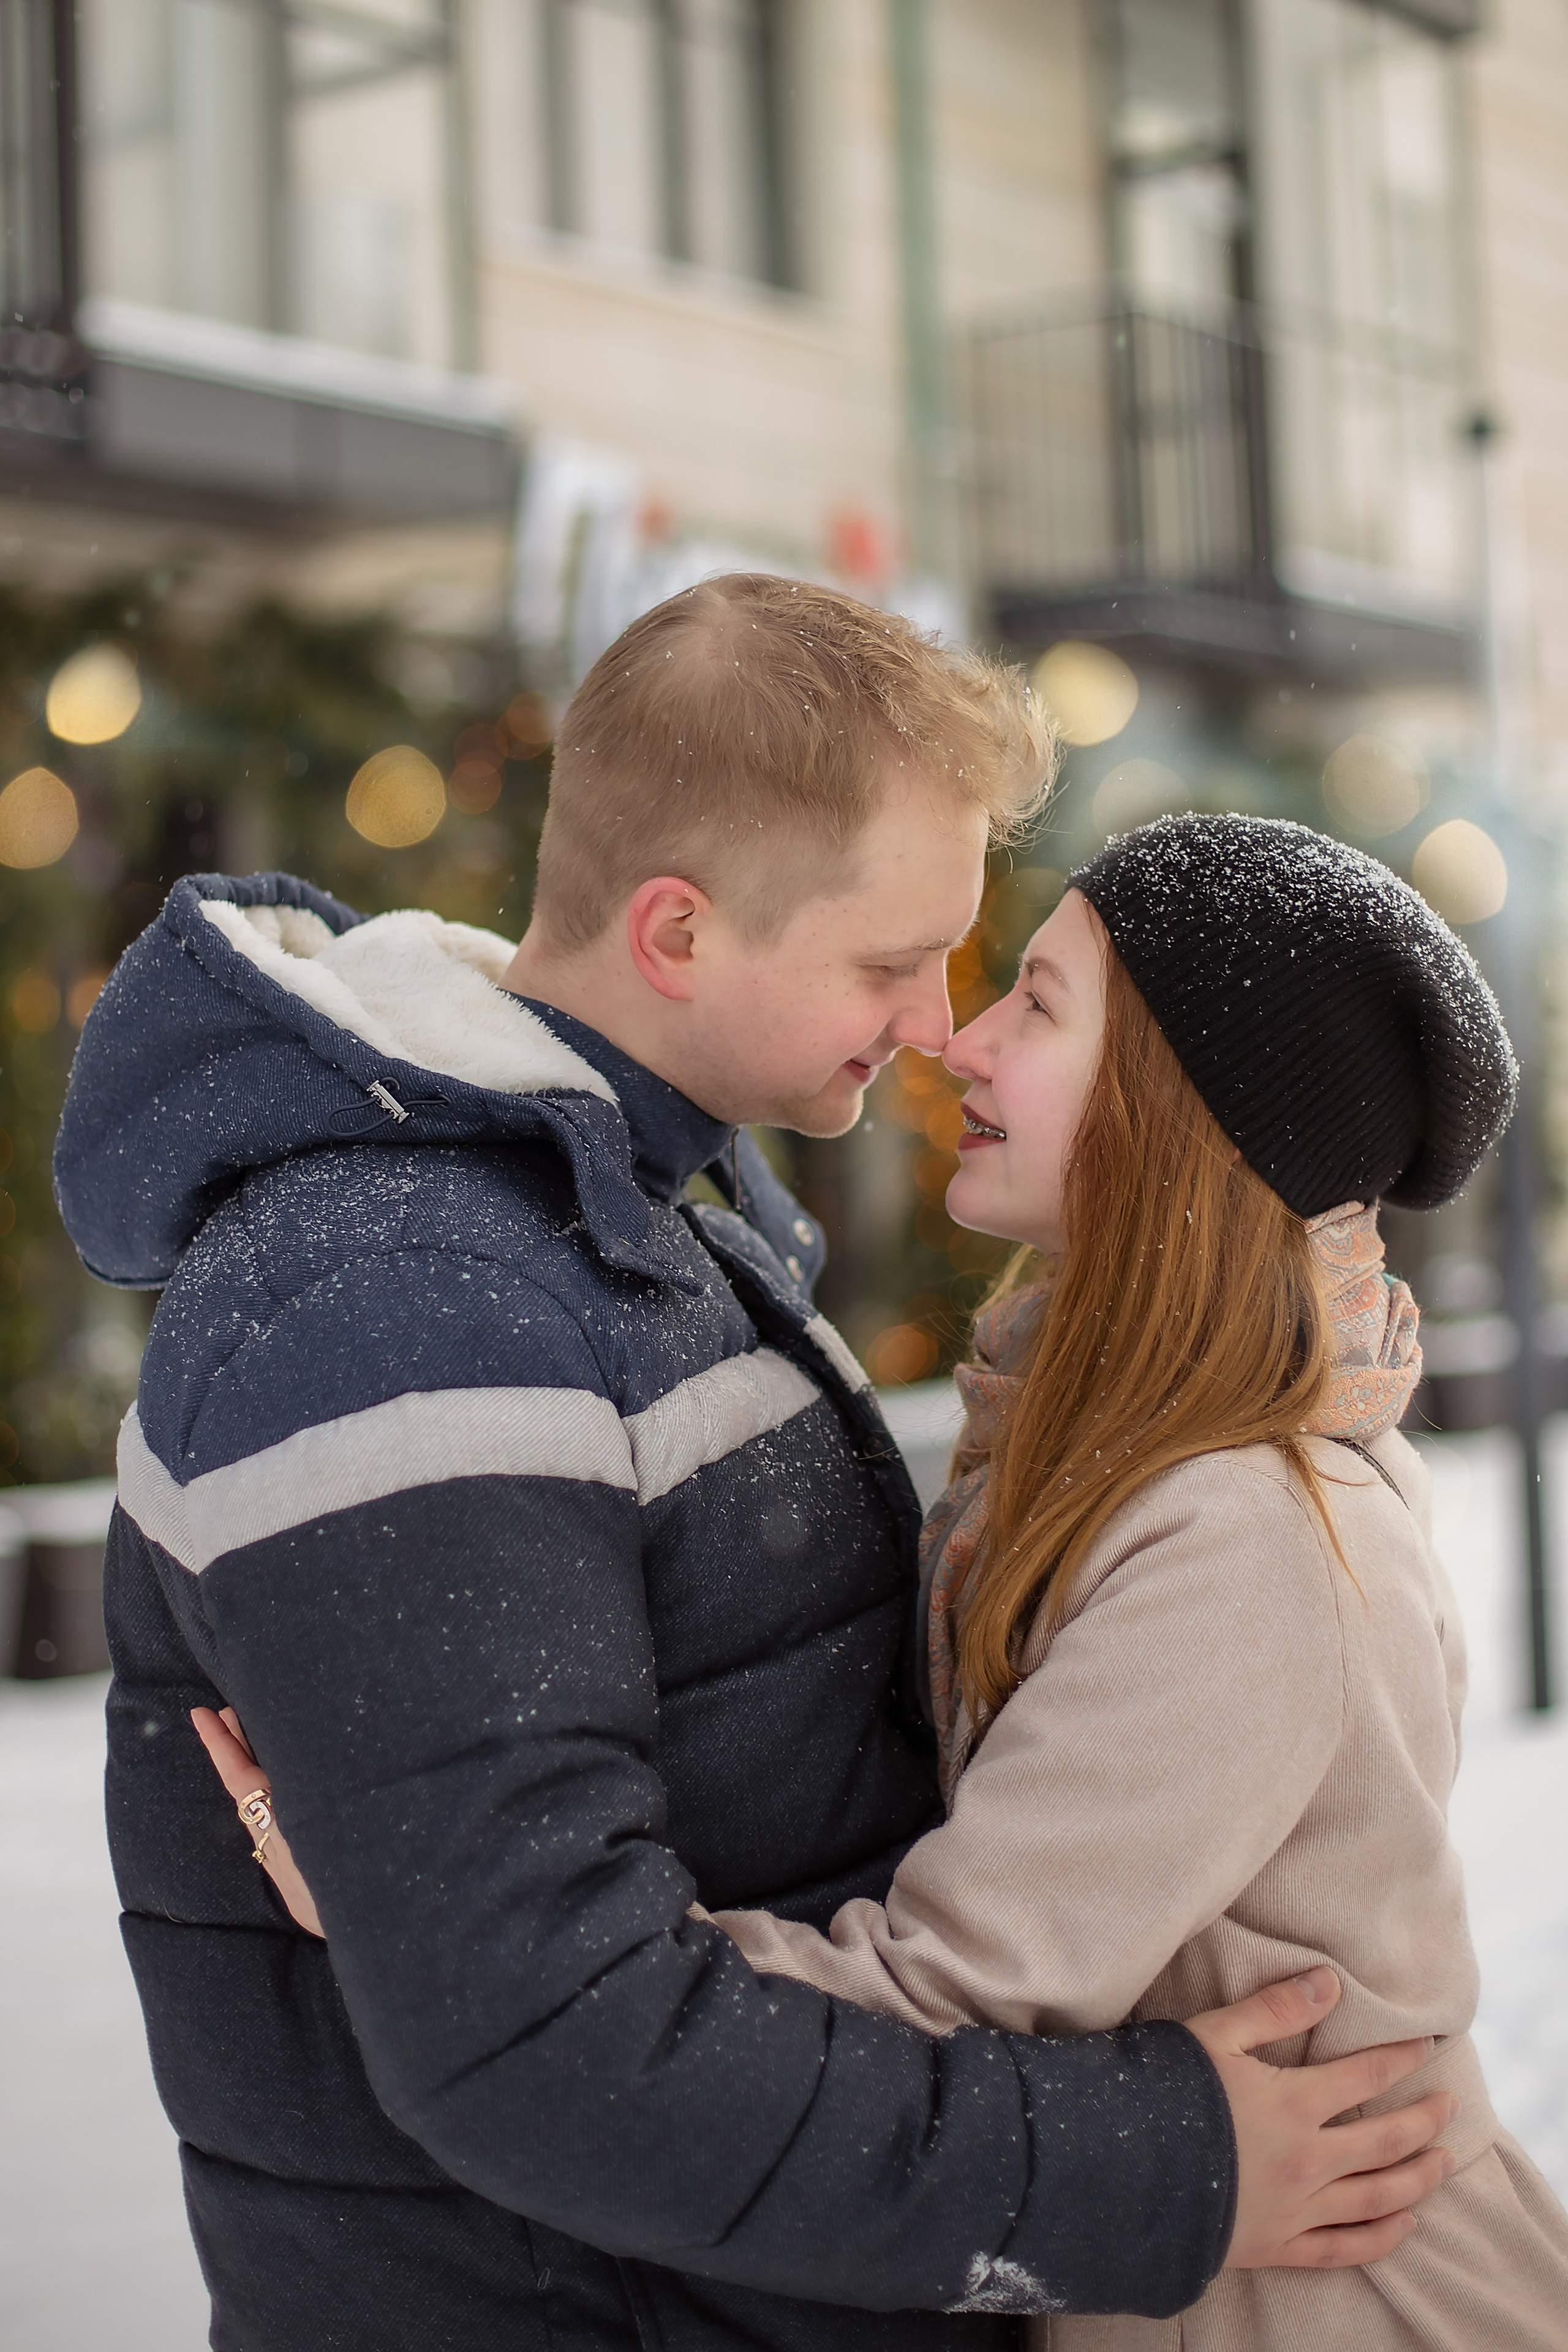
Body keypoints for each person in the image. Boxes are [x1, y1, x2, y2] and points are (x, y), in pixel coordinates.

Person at [56, 581, 1455, 2352]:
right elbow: (545, 2041)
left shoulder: (630, 1220)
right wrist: (1149, 2167)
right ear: (678, 934)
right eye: (891, 963)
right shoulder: (405, 1302)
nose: (940, 1024)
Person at [681, 816, 1566, 2346]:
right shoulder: (1120, 1463)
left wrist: (489, 1941)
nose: (961, 1042)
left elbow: (944, 1991)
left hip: (1332, 2305)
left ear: (1178, 1108)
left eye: (1036, 1002)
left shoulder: (1241, 1532)